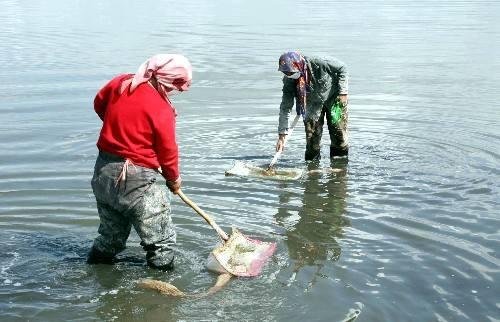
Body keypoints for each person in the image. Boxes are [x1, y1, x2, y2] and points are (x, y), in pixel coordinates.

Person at [87, 54, 192, 271]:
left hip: (104, 173)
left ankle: (93, 272)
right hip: (138, 183)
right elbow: (168, 150)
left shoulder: (120, 82)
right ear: (166, 80)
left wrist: (119, 128)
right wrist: (174, 179)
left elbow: (99, 103)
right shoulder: (161, 108)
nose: (175, 91)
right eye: (175, 85)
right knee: (161, 244)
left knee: (110, 238)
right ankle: (163, 296)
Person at [275, 51, 349, 160]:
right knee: (312, 140)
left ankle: (340, 165)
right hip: (311, 103)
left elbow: (343, 68)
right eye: (286, 72)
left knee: (339, 135)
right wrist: (282, 135)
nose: (289, 75)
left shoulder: (319, 62)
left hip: (334, 98)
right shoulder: (289, 80)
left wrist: (343, 92)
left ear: (298, 66)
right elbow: (285, 107)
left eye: (291, 72)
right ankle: (312, 170)